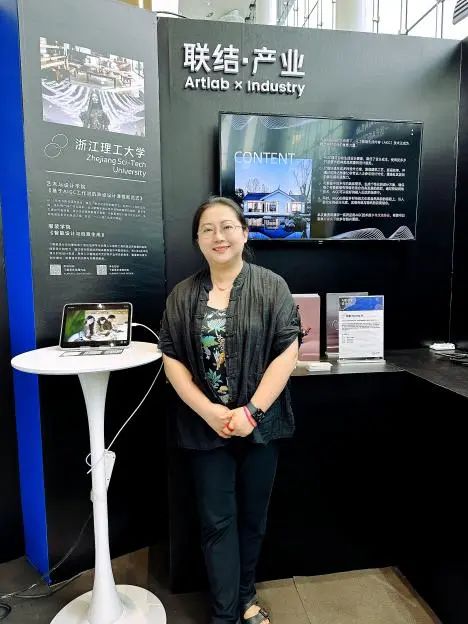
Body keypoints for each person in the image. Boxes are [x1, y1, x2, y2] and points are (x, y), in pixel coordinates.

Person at [159, 196, 301, 624]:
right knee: (216, 522)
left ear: (244, 232)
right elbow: (171, 357)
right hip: (204, 426)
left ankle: (245, 597)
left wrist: (251, 411)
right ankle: (225, 615)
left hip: (261, 424)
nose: (218, 236)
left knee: (252, 519)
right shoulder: (183, 294)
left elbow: (287, 351)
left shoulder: (272, 286)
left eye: (226, 227)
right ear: (197, 240)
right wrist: (208, 411)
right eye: (207, 229)